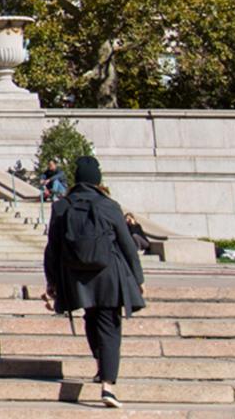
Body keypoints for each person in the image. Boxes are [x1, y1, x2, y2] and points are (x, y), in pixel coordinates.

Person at [42, 156, 145, 410]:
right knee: (110, 325)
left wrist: (51, 281)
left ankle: (101, 364)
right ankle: (108, 385)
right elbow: (127, 246)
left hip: (77, 276)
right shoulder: (109, 205)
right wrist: (138, 278)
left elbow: (52, 248)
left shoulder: (62, 207)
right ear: (97, 179)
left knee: (90, 317)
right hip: (109, 273)